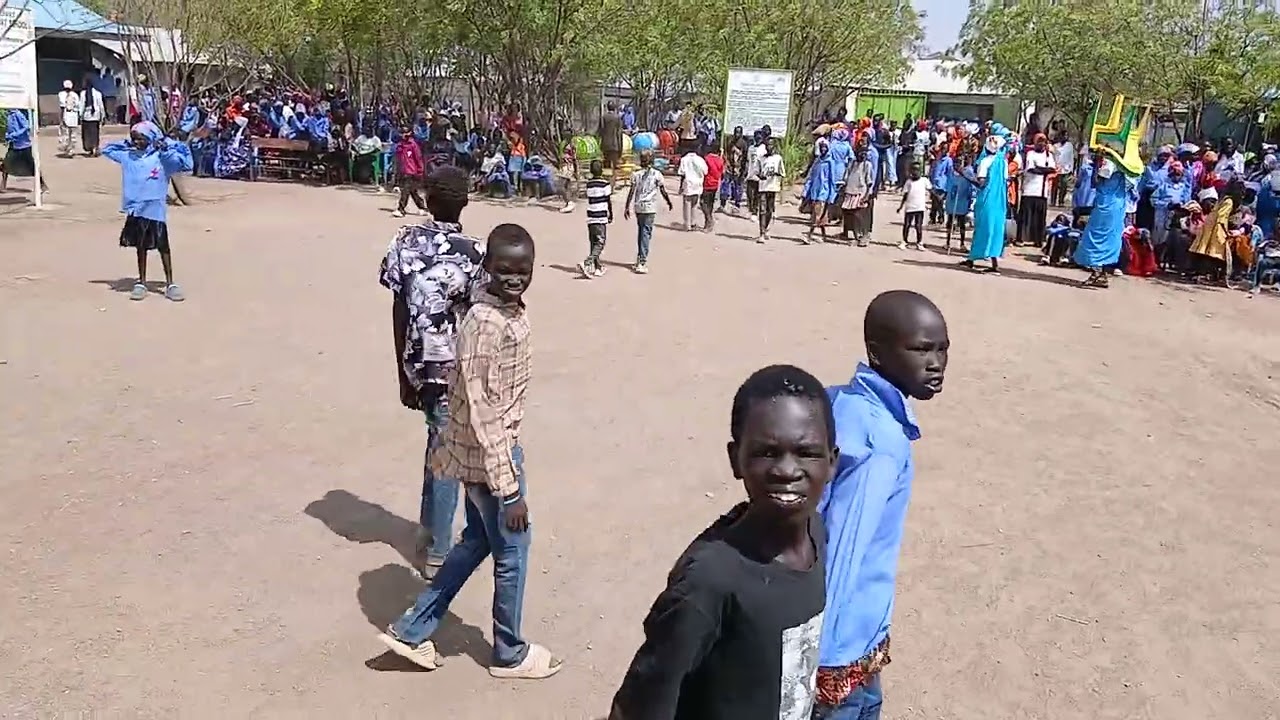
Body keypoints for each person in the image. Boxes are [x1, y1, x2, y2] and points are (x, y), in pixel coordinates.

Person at [379, 224, 562, 681]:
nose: (515, 279)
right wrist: (509, 488)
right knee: (513, 551)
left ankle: (412, 629)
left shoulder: (501, 309)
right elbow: (484, 411)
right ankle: (509, 652)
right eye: (504, 270)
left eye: (524, 270)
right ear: (488, 268)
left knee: (477, 541)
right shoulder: (486, 323)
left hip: (482, 456)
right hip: (491, 460)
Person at [610, 364, 836, 720]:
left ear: (832, 461)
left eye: (806, 452)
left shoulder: (816, 534)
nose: (787, 470)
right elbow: (641, 701)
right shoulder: (710, 581)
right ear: (735, 459)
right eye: (766, 453)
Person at [814, 290, 950, 720]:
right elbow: (842, 549)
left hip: (858, 636)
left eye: (943, 349)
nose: (936, 363)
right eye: (921, 349)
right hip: (840, 646)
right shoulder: (881, 445)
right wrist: (817, 662)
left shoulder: (843, 400)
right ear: (877, 352)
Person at [379, 166, 487, 577]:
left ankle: (429, 530)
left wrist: (402, 372)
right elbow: (480, 316)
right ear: (465, 202)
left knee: (437, 442)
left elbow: (399, 307)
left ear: (424, 198)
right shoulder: (475, 253)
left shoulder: (405, 242)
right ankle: (439, 550)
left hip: (419, 360)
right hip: (455, 368)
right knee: (446, 452)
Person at [102, 122, 193, 302]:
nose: (137, 142)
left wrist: (166, 144)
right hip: (137, 210)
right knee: (141, 247)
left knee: (163, 247)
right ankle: (141, 282)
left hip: (156, 211)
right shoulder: (128, 156)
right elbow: (106, 149)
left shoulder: (163, 158)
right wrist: (126, 142)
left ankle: (170, 283)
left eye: (141, 139)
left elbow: (186, 161)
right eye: (134, 139)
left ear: (151, 138)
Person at [1075, 152, 1129, 288]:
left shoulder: (1109, 164)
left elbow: (1095, 182)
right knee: (1110, 238)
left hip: (1106, 205)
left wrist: (1096, 165)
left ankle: (1097, 273)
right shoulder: (1125, 166)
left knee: (1095, 238)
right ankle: (1103, 274)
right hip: (1118, 205)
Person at [963, 133, 1010, 274]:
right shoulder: (1003, 162)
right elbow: (1006, 181)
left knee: (983, 227)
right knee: (996, 228)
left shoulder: (985, 162)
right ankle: (973, 259)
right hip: (1000, 200)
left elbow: (981, 183)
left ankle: (990, 263)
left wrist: (965, 175)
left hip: (987, 199)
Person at [623, 150, 673, 274]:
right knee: (646, 233)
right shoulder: (657, 174)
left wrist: (627, 206)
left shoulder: (636, 174)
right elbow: (663, 190)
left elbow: (631, 191)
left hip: (639, 207)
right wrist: (669, 201)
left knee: (642, 232)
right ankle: (642, 261)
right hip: (649, 208)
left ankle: (640, 256)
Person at [1017, 133, 1055, 246]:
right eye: (1039, 142)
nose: (1041, 144)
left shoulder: (1049, 156)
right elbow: (1031, 169)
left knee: (1040, 218)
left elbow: (1052, 169)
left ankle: (1038, 240)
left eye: (1044, 142)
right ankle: (1021, 239)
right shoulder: (1030, 154)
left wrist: (1040, 168)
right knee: (1025, 217)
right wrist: (1044, 170)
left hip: (1042, 192)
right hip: (1029, 190)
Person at [579, 159, 613, 278]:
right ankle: (587, 262)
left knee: (593, 242)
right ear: (602, 170)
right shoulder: (605, 184)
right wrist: (611, 214)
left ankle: (598, 267)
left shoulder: (589, 184)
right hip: (600, 216)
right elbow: (608, 200)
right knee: (600, 242)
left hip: (591, 216)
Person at [1, 109, 47, 195]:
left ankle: (42, 185)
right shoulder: (9, 115)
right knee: (6, 164)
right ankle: (2, 185)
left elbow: (26, 126)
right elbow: (10, 128)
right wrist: (8, 136)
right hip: (13, 144)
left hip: (23, 145)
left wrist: (15, 134)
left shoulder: (18, 114)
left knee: (32, 166)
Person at [803, 138, 838, 244]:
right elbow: (811, 177)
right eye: (821, 147)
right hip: (814, 191)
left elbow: (832, 180)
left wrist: (831, 195)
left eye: (825, 147)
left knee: (816, 215)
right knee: (820, 216)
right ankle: (824, 236)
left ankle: (809, 235)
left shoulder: (830, 162)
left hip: (824, 192)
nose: (823, 149)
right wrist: (806, 191)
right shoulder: (817, 161)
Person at [841, 145, 875, 246]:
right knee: (850, 215)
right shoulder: (852, 164)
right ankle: (855, 237)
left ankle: (864, 236)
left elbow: (869, 182)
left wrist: (866, 196)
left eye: (865, 153)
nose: (863, 155)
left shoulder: (867, 165)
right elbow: (846, 177)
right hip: (850, 192)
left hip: (861, 193)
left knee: (859, 215)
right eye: (861, 153)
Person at [943, 149, 975, 255]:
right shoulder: (952, 173)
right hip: (952, 201)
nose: (957, 165)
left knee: (962, 223)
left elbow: (971, 187)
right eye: (955, 163)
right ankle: (947, 242)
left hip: (962, 201)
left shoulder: (968, 172)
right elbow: (948, 184)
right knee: (950, 222)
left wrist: (970, 199)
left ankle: (962, 243)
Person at [392, 125, 427, 218]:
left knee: (405, 191)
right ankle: (422, 207)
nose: (404, 135)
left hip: (412, 172)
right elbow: (397, 160)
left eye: (406, 133)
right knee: (412, 191)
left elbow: (418, 158)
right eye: (402, 133)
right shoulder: (400, 146)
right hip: (403, 171)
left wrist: (420, 171)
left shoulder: (413, 145)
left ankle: (401, 209)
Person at [757, 138, 785, 243]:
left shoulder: (778, 158)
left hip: (773, 187)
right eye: (767, 145)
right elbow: (757, 171)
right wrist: (760, 176)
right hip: (763, 187)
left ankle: (766, 228)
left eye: (771, 145)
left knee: (769, 210)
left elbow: (782, 173)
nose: (769, 147)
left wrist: (776, 174)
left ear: (774, 146)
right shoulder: (761, 159)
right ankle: (761, 233)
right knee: (762, 209)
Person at [897, 165, 931, 251]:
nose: (915, 172)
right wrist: (900, 207)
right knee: (907, 225)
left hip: (920, 207)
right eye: (913, 170)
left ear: (920, 171)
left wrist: (937, 199)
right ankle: (904, 241)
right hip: (909, 207)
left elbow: (931, 190)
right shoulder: (908, 182)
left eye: (917, 170)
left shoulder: (924, 181)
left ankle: (919, 242)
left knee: (918, 225)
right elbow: (905, 195)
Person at [678, 146, 709, 231]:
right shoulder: (700, 160)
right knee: (694, 204)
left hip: (688, 183)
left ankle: (687, 224)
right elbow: (706, 171)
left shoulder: (684, 159)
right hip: (698, 183)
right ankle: (693, 223)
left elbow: (682, 173)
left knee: (687, 203)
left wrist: (680, 187)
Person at [599, 100, 624, 190]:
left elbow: (600, 131)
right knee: (615, 167)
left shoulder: (603, 117)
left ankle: (605, 185)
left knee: (606, 166)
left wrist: (600, 144)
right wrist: (621, 147)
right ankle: (612, 186)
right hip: (615, 145)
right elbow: (619, 134)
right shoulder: (617, 118)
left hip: (605, 145)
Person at [79, 76, 106, 157]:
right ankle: (94, 148)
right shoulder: (98, 93)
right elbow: (101, 106)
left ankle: (90, 148)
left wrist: (80, 116)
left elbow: (81, 106)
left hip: (86, 117)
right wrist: (103, 116)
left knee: (87, 134)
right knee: (95, 133)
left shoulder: (83, 93)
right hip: (95, 116)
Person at [57, 80, 82, 157]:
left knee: (70, 134)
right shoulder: (74, 95)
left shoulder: (64, 95)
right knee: (68, 134)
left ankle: (70, 150)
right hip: (69, 114)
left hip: (70, 114)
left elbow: (77, 106)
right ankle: (69, 150)